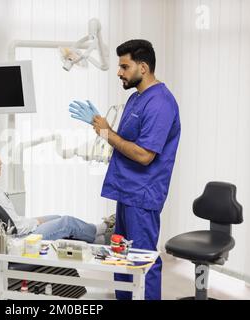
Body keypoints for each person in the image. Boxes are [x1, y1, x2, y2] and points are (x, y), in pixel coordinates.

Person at [69, 39, 181, 300]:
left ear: (143, 67)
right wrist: (103, 126)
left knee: (143, 260)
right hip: (126, 191)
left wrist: (107, 133)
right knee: (120, 257)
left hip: (142, 195)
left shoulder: (160, 103)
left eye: (124, 66)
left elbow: (143, 155)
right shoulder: (135, 98)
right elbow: (125, 142)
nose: (119, 72)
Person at [0, 140, 113, 243]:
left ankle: (96, 239)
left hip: (11, 237)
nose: (0, 161)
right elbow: (17, 228)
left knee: (56, 217)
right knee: (66, 223)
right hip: (19, 242)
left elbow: (11, 223)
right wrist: (37, 221)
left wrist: (37, 221)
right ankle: (103, 231)